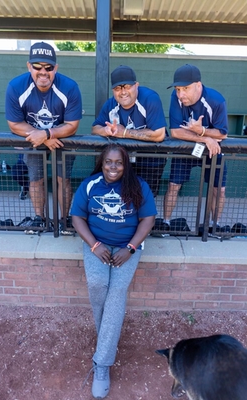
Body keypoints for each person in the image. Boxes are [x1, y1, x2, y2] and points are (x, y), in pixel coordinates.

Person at [71, 143, 156, 399]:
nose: (113, 167)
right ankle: (109, 334)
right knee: (98, 285)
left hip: (127, 247)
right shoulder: (90, 184)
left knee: (117, 291)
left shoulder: (138, 186)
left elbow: (148, 219)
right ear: (102, 162)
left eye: (118, 163)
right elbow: (77, 217)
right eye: (108, 162)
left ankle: (103, 364)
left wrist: (130, 248)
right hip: (96, 245)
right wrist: (95, 245)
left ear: (125, 164)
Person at [5, 41, 82, 233]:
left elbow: (72, 125)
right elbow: (14, 124)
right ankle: (39, 219)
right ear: (29, 66)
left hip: (62, 141)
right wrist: (43, 137)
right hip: (34, 141)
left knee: (62, 180)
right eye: (37, 66)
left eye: (48, 67)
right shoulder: (16, 86)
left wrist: (47, 134)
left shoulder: (70, 87)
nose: (43, 72)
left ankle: (63, 220)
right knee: (36, 180)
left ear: (55, 68)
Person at [163, 64, 228, 231]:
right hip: (188, 148)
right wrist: (205, 137)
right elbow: (176, 132)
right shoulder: (176, 98)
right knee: (173, 185)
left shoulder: (216, 100)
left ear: (198, 85)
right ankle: (166, 223)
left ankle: (215, 225)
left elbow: (222, 134)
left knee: (219, 190)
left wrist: (202, 130)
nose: (181, 94)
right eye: (178, 89)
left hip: (214, 150)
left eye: (185, 88)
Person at [92, 65, 167, 197]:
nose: (123, 92)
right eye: (117, 88)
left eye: (126, 86)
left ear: (136, 85)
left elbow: (159, 134)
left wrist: (125, 132)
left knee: (145, 196)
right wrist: (106, 130)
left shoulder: (150, 98)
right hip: (125, 159)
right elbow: (95, 128)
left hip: (151, 158)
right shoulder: (110, 104)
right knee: (122, 194)